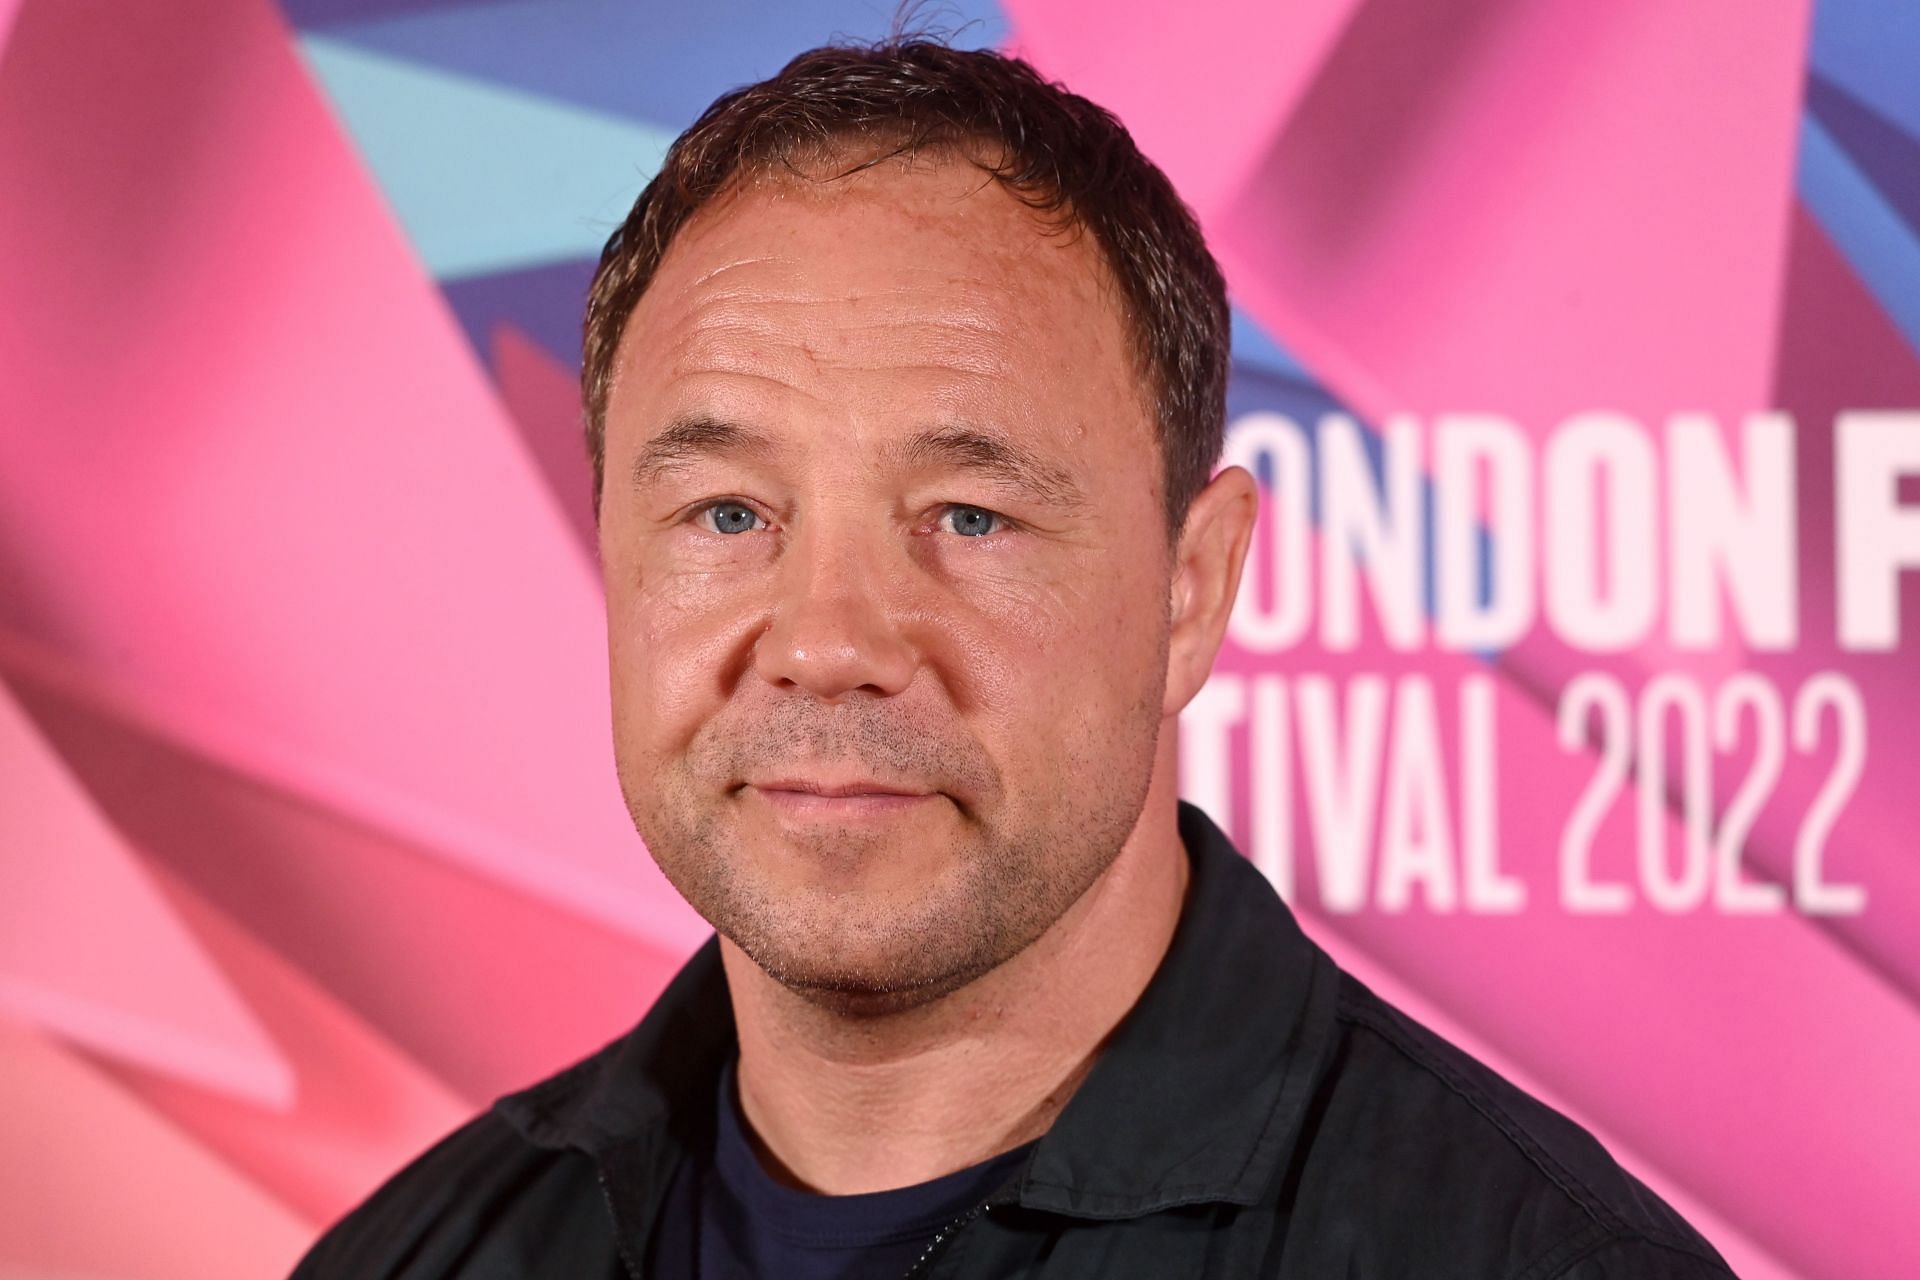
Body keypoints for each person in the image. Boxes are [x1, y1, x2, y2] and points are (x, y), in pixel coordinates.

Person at [292, 37, 1736, 1280]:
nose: (829, 641)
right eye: (729, 512)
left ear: (1192, 588)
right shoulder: (419, 1255)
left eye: (969, 516)